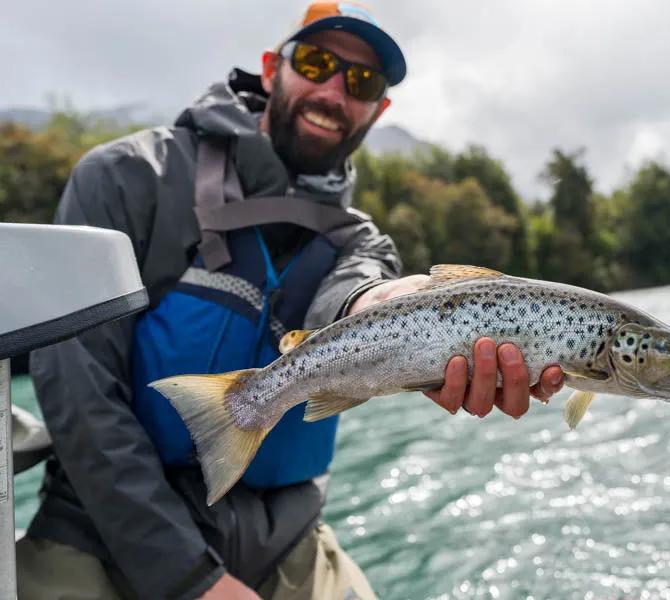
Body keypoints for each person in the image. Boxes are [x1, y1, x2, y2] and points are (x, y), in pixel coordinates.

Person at [15, 2, 565, 599]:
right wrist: (190, 579)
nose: (334, 90)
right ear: (272, 69)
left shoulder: (362, 241)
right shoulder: (127, 178)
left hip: (285, 543)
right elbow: (76, 392)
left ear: (378, 110)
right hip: (102, 533)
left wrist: (382, 308)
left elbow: (356, 291)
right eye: (316, 62)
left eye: (361, 81)